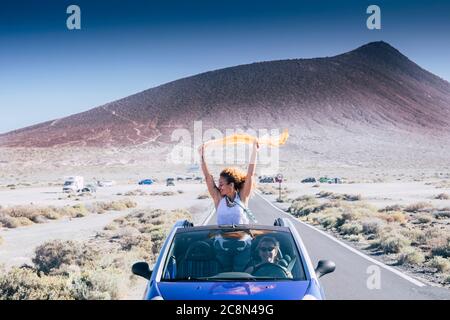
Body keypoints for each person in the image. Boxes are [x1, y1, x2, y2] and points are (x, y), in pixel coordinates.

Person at [198, 139, 259, 224]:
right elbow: (208, 177)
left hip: (241, 237)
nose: (219, 187)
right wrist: (201, 155)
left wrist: (254, 150)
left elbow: (250, 174)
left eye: (221, 184)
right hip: (221, 237)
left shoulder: (242, 196)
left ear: (231, 185)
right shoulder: (218, 198)